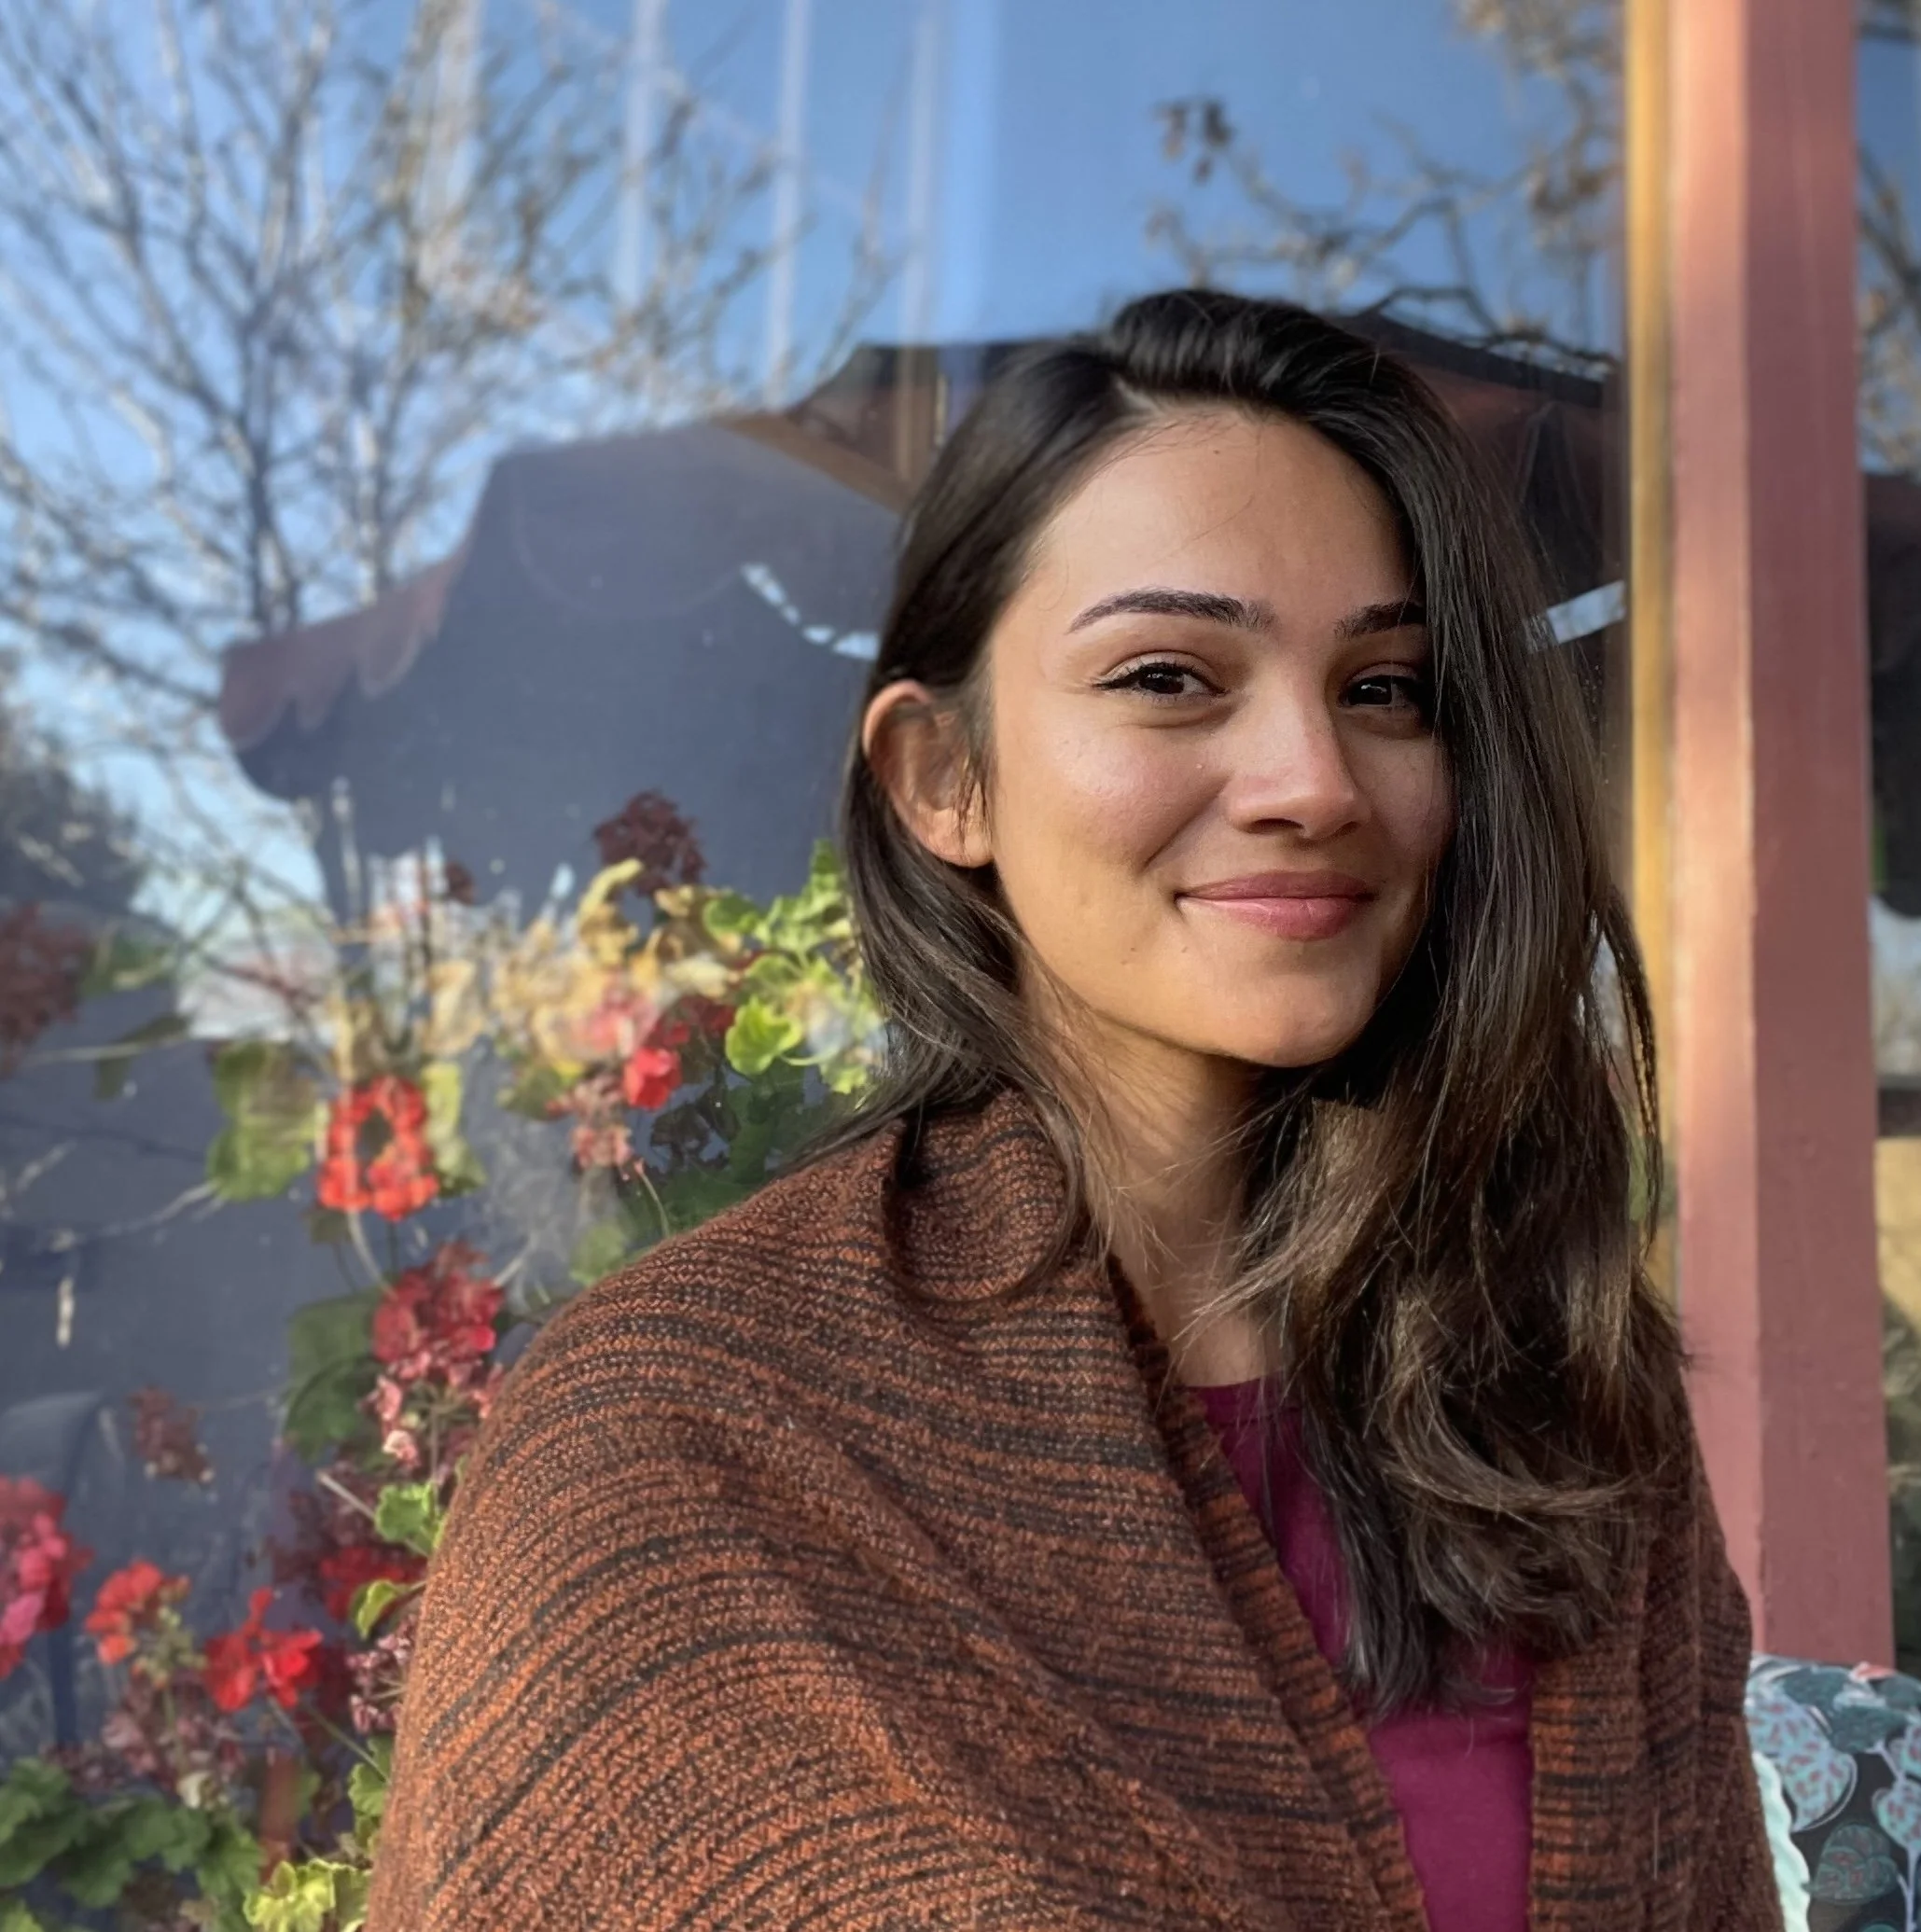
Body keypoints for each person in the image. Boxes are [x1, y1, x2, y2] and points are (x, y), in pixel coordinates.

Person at [367, 290, 1782, 1931]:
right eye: (1172, 675)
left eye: (1386, 688)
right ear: (942, 780)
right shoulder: (681, 1442)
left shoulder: (1560, 1396)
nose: (1313, 778)